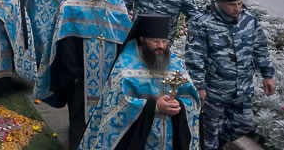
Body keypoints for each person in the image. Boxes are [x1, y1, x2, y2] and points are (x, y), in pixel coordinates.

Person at [34, 0, 132, 150]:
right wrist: (74, 74)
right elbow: (65, 44)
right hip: (80, 74)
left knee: (107, 111)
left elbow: (124, 38)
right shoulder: (71, 6)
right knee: (79, 114)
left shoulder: (117, 6)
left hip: (109, 73)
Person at [79, 14, 201, 150]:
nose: (161, 46)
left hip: (171, 137)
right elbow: (117, 104)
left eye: (164, 41)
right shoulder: (125, 65)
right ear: (142, 39)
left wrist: (179, 104)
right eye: (155, 41)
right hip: (140, 138)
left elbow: (192, 98)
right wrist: (154, 107)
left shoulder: (175, 63)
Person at [185, 0, 276, 150]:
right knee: (209, 132)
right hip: (214, 89)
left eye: (240, 3)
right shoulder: (202, 22)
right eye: (232, 5)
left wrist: (267, 75)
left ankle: (212, 141)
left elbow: (260, 48)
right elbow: (195, 56)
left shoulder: (249, 19)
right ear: (218, 3)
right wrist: (199, 86)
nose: (237, 8)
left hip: (243, 87)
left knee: (244, 123)